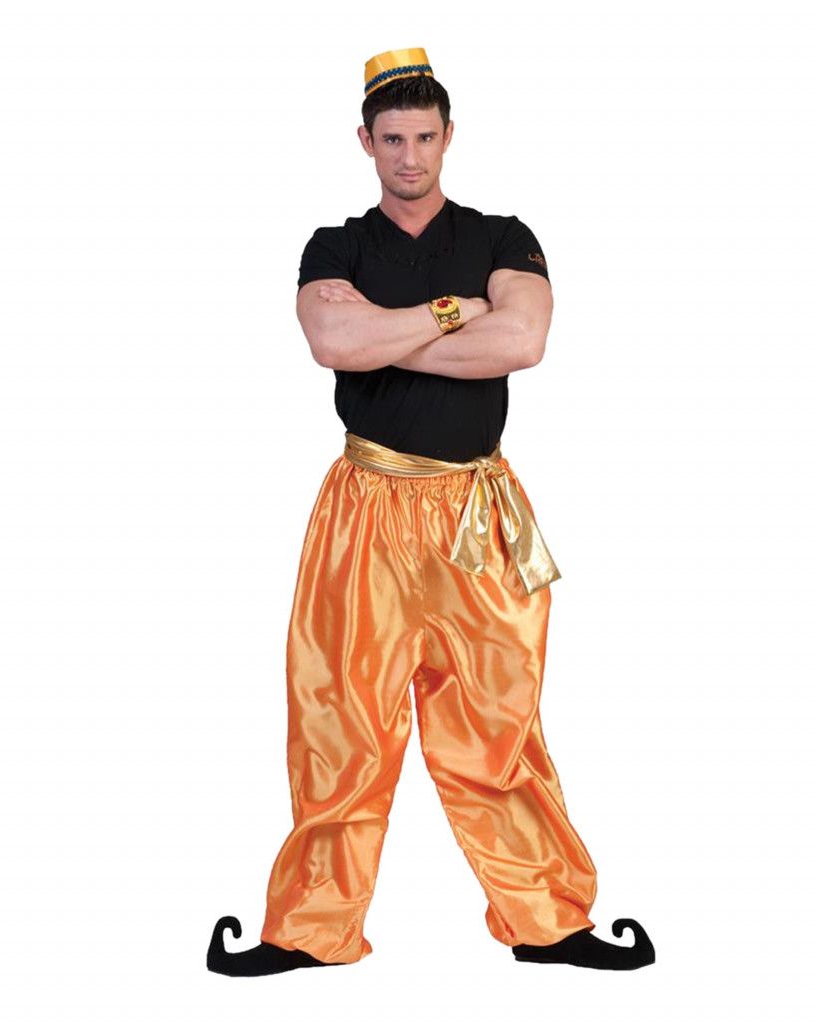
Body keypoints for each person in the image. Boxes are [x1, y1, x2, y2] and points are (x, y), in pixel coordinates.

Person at [207, 47, 655, 976]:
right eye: (391, 139)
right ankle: (311, 929)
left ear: (449, 136)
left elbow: (522, 338)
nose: (408, 156)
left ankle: (549, 921)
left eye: (423, 137)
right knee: (341, 720)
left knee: (497, 720)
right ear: (364, 142)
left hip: (476, 517)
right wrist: (456, 314)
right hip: (364, 512)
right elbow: (331, 338)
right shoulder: (335, 247)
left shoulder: (503, 237)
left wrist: (385, 333)